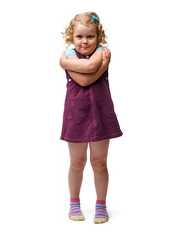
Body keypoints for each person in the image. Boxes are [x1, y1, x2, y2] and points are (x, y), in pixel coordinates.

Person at [59, 11, 123, 224]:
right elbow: (84, 77)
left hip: (100, 113)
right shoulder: (68, 54)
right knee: (77, 162)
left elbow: (87, 70)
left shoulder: (101, 52)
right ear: (71, 37)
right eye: (79, 37)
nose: (85, 41)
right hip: (76, 115)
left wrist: (100, 65)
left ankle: (101, 205)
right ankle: (74, 202)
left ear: (98, 37)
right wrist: (101, 66)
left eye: (90, 36)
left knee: (99, 162)